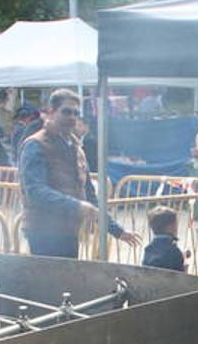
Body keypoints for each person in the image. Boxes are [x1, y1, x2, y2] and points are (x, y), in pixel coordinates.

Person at [19, 88, 140, 258]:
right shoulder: (35, 145)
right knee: (50, 276)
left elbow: (89, 195)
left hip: (69, 230)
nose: (72, 117)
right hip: (43, 231)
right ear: (51, 112)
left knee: (69, 274)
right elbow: (35, 191)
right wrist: (77, 206)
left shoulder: (76, 148)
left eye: (76, 113)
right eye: (66, 112)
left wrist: (117, 230)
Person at [142, 206, 186, 272]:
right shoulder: (174, 251)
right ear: (170, 227)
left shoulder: (148, 249)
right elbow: (181, 275)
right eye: (175, 224)